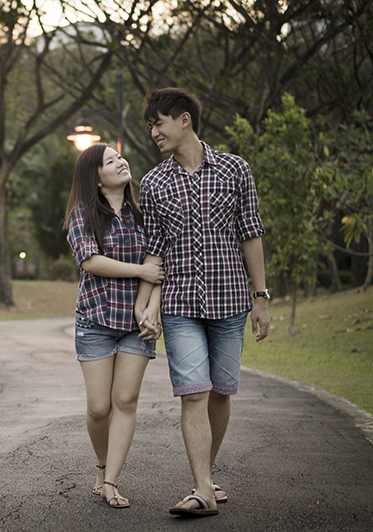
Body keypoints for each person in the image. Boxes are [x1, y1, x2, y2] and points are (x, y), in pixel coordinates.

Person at [135, 87, 270, 517]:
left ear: (184, 120)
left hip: (230, 301)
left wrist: (261, 297)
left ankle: (205, 479)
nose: (154, 132)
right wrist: (147, 305)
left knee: (220, 394)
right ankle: (201, 491)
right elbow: (154, 251)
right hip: (180, 306)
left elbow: (251, 233)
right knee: (194, 394)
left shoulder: (235, 170)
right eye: (152, 126)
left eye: (158, 123)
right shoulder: (154, 182)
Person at [64, 143, 165, 508]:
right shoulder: (82, 214)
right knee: (98, 409)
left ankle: (110, 481)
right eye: (111, 161)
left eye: (120, 157)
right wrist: (140, 271)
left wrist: (152, 310)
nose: (121, 163)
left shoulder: (145, 214)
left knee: (125, 400)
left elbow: (160, 268)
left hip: (136, 325)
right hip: (95, 320)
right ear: (96, 176)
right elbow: (90, 261)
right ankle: (102, 462)